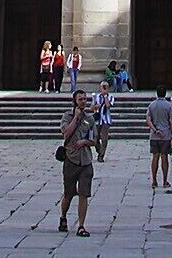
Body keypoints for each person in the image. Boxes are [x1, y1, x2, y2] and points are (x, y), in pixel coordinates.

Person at [57, 89, 99, 237]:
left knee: (84, 194)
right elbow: (66, 133)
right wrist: (75, 118)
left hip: (86, 161)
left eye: (85, 99)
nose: (83, 102)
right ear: (74, 101)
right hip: (71, 159)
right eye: (80, 99)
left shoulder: (90, 119)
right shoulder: (67, 117)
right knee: (68, 194)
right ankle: (63, 216)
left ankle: (81, 225)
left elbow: (94, 140)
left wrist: (84, 142)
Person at [146, 87, 172, 188]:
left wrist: (155, 130)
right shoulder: (168, 106)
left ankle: (154, 181)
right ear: (165, 94)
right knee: (164, 157)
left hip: (154, 136)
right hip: (166, 135)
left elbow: (148, 120)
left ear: (157, 94)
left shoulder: (151, 105)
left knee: (155, 157)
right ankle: (165, 181)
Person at [92, 77, 115, 158]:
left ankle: (101, 155)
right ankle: (99, 150)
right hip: (98, 120)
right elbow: (91, 107)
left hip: (106, 120)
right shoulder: (96, 96)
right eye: (103, 86)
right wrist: (95, 107)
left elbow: (108, 106)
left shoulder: (111, 96)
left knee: (104, 139)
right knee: (96, 138)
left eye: (106, 86)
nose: (105, 88)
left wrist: (105, 96)